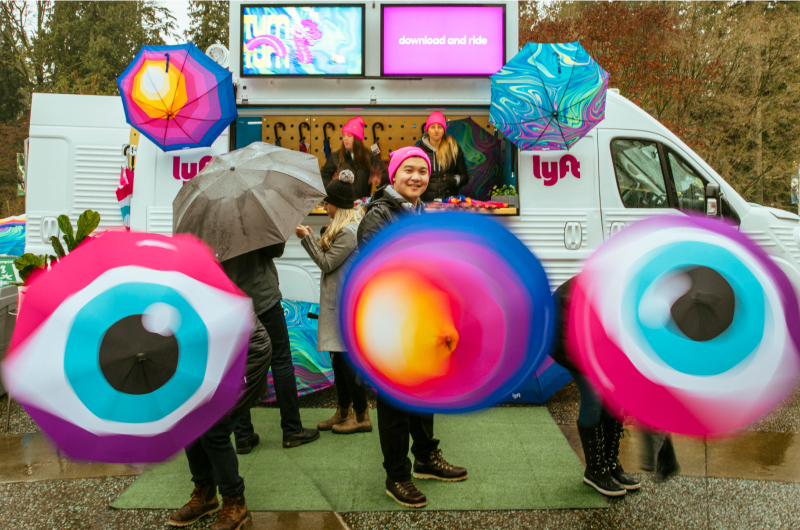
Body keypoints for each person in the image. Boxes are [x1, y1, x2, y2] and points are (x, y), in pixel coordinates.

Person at [357, 146, 468, 509]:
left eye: (423, 170)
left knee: (424, 392)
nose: (417, 177)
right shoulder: (378, 216)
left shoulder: (419, 212)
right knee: (394, 401)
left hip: (423, 320)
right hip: (391, 323)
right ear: (394, 174)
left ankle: (424, 457)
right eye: (409, 170)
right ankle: (397, 475)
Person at [168, 318, 272, 530]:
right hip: (209, 356)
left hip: (245, 353)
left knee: (214, 431)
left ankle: (236, 502)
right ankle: (205, 493)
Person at [295, 169, 371, 434]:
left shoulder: (349, 231)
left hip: (344, 305)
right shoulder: (342, 229)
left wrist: (307, 239)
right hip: (337, 302)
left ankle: (361, 416)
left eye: (326, 202)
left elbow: (326, 263)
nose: (324, 206)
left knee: (348, 361)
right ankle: (343, 411)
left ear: (337, 205)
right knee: (339, 360)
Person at [224, 243, 320, 452]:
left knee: (239, 365)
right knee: (281, 360)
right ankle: (292, 429)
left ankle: (243, 435)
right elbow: (275, 250)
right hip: (263, 297)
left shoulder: (209, 220)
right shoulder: (255, 215)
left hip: (230, 301)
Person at [551, 278, 641, 497]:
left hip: (595, 334)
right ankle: (595, 470)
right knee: (593, 394)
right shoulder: (616, 287)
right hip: (565, 332)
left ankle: (610, 464)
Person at [321, 116, 389, 199]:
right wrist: (332, 184)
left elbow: (387, 177)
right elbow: (323, 178)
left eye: (349, 136)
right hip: (341, 206)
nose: (345, 139)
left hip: (361, 207)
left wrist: (380, 177)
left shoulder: (369, 157)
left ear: (357, 139)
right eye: (344, 135)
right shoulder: (335, 157)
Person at [418, 111, 470, 202]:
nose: (436, 130)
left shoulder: (454, 149)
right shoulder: (419, 151)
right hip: (425, 203)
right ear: (427, 129)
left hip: (448, 201)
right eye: (432, 127)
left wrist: (454, 180)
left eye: (440, 127)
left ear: (444, 130)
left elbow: (464, 177)